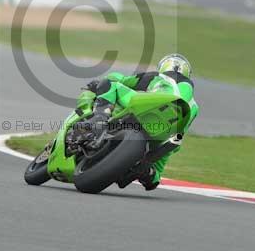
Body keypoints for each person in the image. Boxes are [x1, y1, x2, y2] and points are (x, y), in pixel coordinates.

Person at [79, 53, 199, 191]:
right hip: (168, 133)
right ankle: (150, 173)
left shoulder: (156, 76)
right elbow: (182, 129)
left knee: (111, 85)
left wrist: (102, 81)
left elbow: (120, 79)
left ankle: (100, 117)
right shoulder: (194, 105)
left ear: (164, 66)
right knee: (157, 172)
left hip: (148, 108)